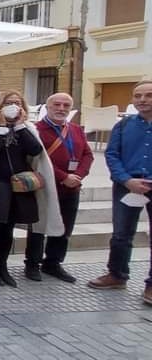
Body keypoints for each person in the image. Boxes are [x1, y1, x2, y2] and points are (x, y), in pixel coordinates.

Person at [0, 90, 60, 288]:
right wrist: (2, 127)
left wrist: (19, 125)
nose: (13, 106)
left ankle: (2, 264)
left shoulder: (26, 128)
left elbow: (35, 150)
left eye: (17, 103)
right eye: (9, 102)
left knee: (8, 227)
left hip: (18, 186)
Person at [89, 81, 152, 305]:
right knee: (121, 234)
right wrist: (126, 180)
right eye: (138, 96)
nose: (142, 100)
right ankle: (116, 274)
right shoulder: (124, 125)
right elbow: (112, 154)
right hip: (128, 184)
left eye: (148, 95)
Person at [25, 93, 91, 283]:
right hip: (45, 186)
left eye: (66, 105)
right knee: (39, 226)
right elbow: (38, 160)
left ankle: (53, 263)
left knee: (65, 227)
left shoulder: (76, 130)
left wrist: (79, 175)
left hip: (71, 188)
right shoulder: (36, 129)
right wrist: (64, 177)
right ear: (47, 106)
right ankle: (32, 263)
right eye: (57, 104)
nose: (61, 108)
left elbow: (87, 154)